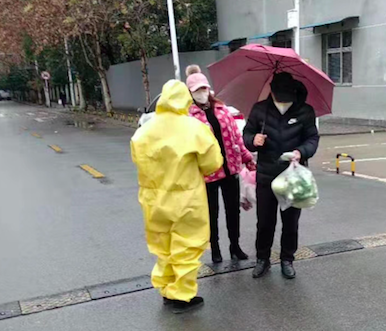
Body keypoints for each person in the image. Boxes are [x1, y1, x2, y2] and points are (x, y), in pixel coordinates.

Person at [131, 79, 223, 313]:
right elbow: (212, 163)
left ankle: (166, 289)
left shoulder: (145, 129)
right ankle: (181, 295)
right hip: (186, 198)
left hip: (153, 199)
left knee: (162, 246)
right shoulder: (194, 128)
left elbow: (137, 158)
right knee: (187, 246)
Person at [243, 72, 319, 279]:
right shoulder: (260, 110)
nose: (284, 99)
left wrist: (301, 152)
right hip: (266, 175)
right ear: (272, 91)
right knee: (265, 222)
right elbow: (246, 134)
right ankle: (262, 259)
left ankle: (287, 259)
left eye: (288, 95)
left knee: (290, 222)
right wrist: (253, 140)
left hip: (293, 177)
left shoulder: (305, 111)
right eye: (280, 95)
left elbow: (312, 138)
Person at [185, 65, 256, 263]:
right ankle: (215, 248)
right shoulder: (188, 116)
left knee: (233, 211)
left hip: (230, 169)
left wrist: (247, 158)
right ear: (190, 93)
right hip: (207, 174)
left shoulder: (222, 109)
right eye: (198, 90)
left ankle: (235, 246)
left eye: (204, 88)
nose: (202, 93)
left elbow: (236, 138)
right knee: (211, 214)